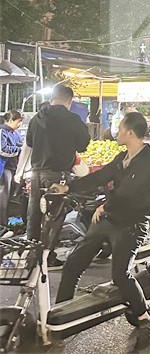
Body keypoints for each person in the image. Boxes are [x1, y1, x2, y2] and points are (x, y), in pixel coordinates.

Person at [51, 111, 150, 350]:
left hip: (133, 223)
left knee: (120, 275)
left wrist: (105, 205)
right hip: (110, 219)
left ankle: (145, 318)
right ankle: (61, 317)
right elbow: (100, 176)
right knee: (73, 264)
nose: (116, 132)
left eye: (120, 129)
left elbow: (130, 190)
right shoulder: (122, 157)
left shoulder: (149, 159)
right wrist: (68, 187)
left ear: (130, 132)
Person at [25, 84, 90, 268]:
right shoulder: (72, 119)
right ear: (69, 101)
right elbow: (83, 144)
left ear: (52, 97)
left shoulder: (36, 118)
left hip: (36, 173)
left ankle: (32, 254)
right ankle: (47, 257)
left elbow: (29, 142)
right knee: (53, 217)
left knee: (34, 214)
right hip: (57, 175)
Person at [0, 111, 24, 227]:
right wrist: (19, 150)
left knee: (11, 196)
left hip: (14, 167)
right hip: (4, 168)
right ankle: (2, 224)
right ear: (10, 120)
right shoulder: (2, 132)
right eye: (18, 122)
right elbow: (2, 149)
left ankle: (9, 221)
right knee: (3, 197)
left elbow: (21, 144)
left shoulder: (15, 133)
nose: (20, 125)